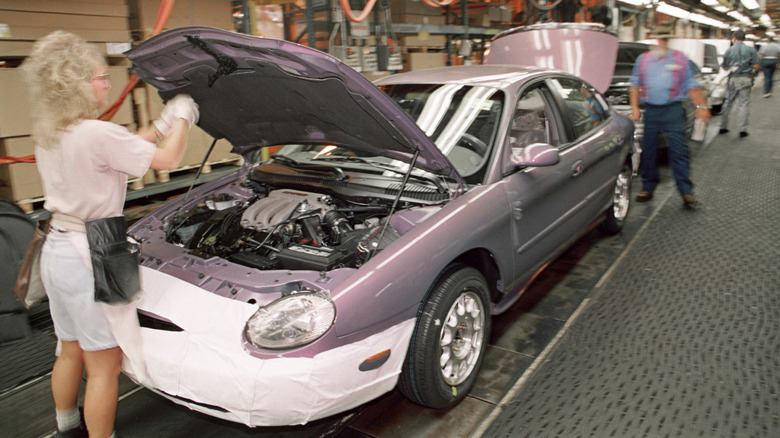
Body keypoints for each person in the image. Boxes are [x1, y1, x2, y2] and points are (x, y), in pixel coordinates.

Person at [22, 31, 199, 438]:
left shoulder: (55, 132)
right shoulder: (96, 134)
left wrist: (158, 125)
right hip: (91, 256)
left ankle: (66, 424)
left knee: (68, 349)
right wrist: (184, 119)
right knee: (104, 366)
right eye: (100, 77)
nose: (106, 84)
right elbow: (168, 159)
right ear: (76, 83)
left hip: (57, 251)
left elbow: (119, 149)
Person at [629, 28, 711, 207]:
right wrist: (634, 107)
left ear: (669, 41)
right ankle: (648, 187)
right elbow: (634, 85)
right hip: (651, 111)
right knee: (649, 150)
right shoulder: (642, 60)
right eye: (658, 39)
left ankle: (686, 191)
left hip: (673, 110)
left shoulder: (680, 59)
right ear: (653, 40)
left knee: (678, 150)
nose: (661, 43)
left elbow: (691, 85)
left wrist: (702, 107)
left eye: (665, 39)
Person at [718, 30, 760, 137]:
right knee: (743, 104)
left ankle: (723, 127)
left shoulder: (729, 50)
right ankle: (742, 130)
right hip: (746, 79)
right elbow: (756, 65)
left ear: (734, 38)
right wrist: (748, 67)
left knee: (728, 102)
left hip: (733, 78)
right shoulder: (751, 50)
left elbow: (724, 67)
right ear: (744, 38)